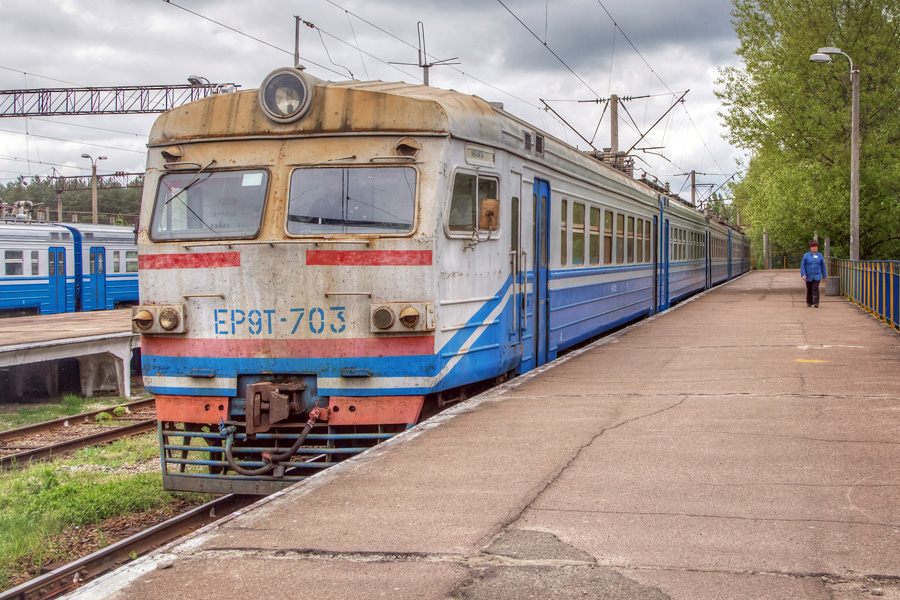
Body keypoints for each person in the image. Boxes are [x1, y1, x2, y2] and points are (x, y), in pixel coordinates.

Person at [800, 240, 827, 308]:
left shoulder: (820, 256)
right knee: (809, 289)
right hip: (808, 275)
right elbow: (803, 266)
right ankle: (809, 302)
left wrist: (824, 275)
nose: (814, 248)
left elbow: (823, 266)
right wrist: (803, 274)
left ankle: (816, 302)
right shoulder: (806, 256)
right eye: (812, 247)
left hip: (817, 275)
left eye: (815, 247)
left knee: (815, 288)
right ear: (810, 248)